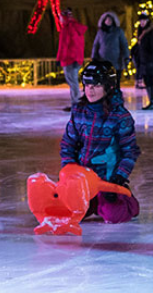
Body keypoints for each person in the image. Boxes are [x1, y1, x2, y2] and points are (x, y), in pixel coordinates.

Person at [59, 60, 142, 223]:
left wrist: (119, 178)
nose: (90, 90)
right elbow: (68, 143)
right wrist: (69, 167)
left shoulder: (120, 117)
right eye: (87, 85)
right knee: (72, 212)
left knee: (112, 215)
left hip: (107, 179)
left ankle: (128, 202)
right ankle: (93, 203)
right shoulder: (79, 111)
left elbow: (129, 151)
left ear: (109, 87)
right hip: (83, 179)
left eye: (96, 85)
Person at [57, 8, 87, 112]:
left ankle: (77, 103)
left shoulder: (67, 29)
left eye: (61, 18)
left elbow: (63, 46)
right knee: (73, 81)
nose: (60, 20)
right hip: (76, 59)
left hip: (69, 59)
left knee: (72, 81)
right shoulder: (76, 27)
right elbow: (79, 45)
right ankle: (76, 102)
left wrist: (59, 58)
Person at [91, 11, 130, 80]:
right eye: (107, 19)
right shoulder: (100, 32)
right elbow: (96, 45)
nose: (108, 21)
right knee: (105, 80)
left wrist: (126, 56)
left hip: (116, 60)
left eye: (110, 20)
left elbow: (124, 44)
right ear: (104, 21)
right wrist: (94, 56)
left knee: (115, 80)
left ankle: (116, 89)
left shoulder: (118, 31)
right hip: (102, 59)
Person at [132, 13, 153, 110]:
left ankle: (152, 101)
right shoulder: (140, 31)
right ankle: (151, 101)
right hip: (143, 60)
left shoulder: (151, 31)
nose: (142, 22)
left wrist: (149, 55)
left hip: (149, 60)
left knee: (150, 80)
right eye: (140, 21)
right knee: (147, 81)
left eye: (144, 20)